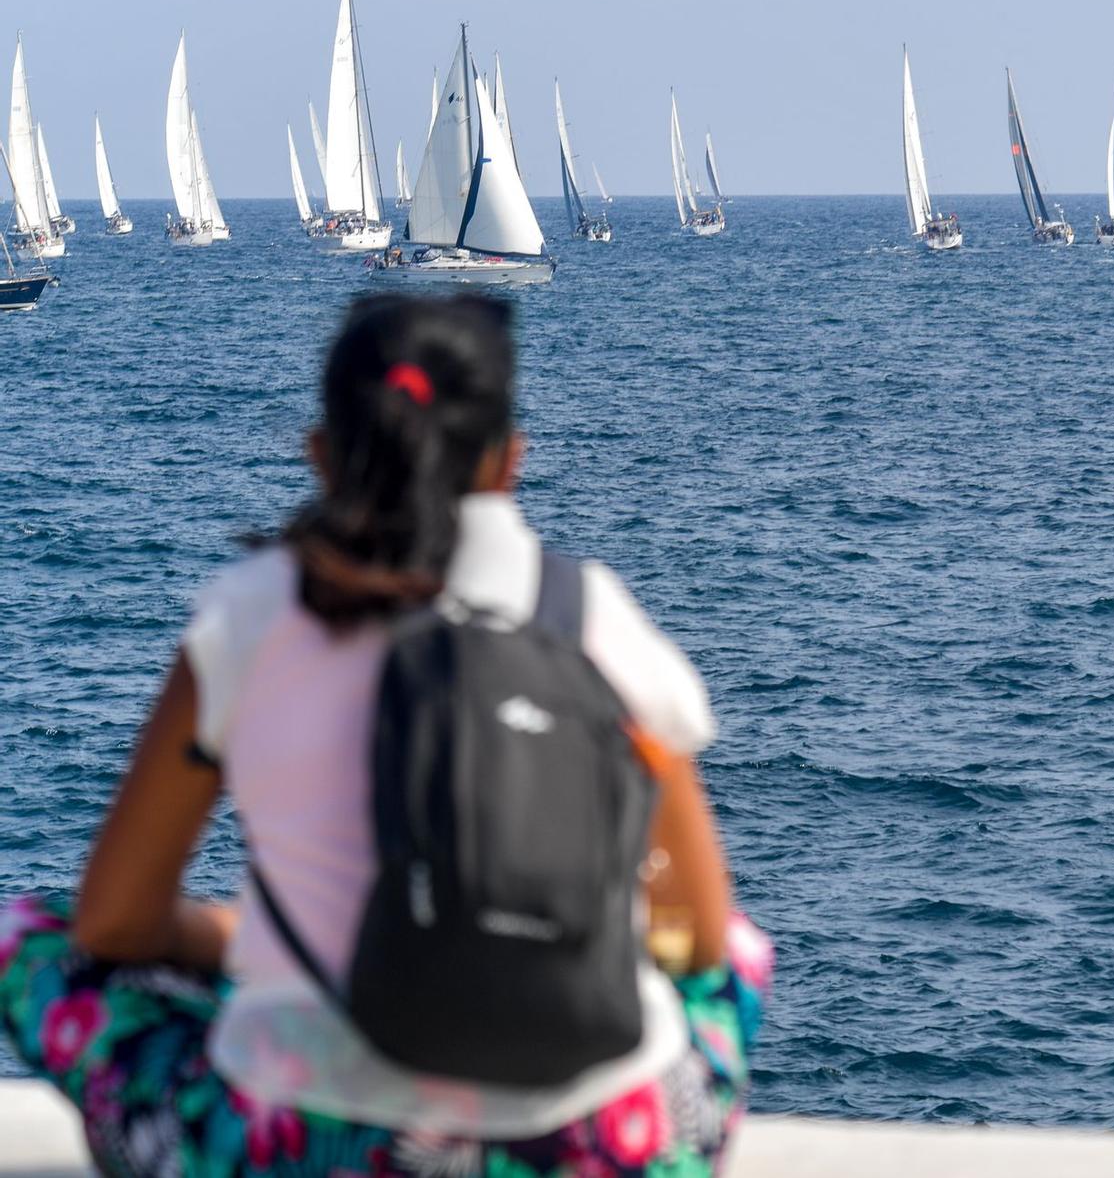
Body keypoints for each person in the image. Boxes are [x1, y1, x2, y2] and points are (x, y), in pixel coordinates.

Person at [1, 293, 770, 1177]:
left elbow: (114, 924)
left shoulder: (249, 617)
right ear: (510, 460)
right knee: (737, 959)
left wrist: (238, 939)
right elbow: (704, 936)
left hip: (307, 1144)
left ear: (322, 454)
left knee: (33, 937)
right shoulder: (591, 618)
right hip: (595, 1146)